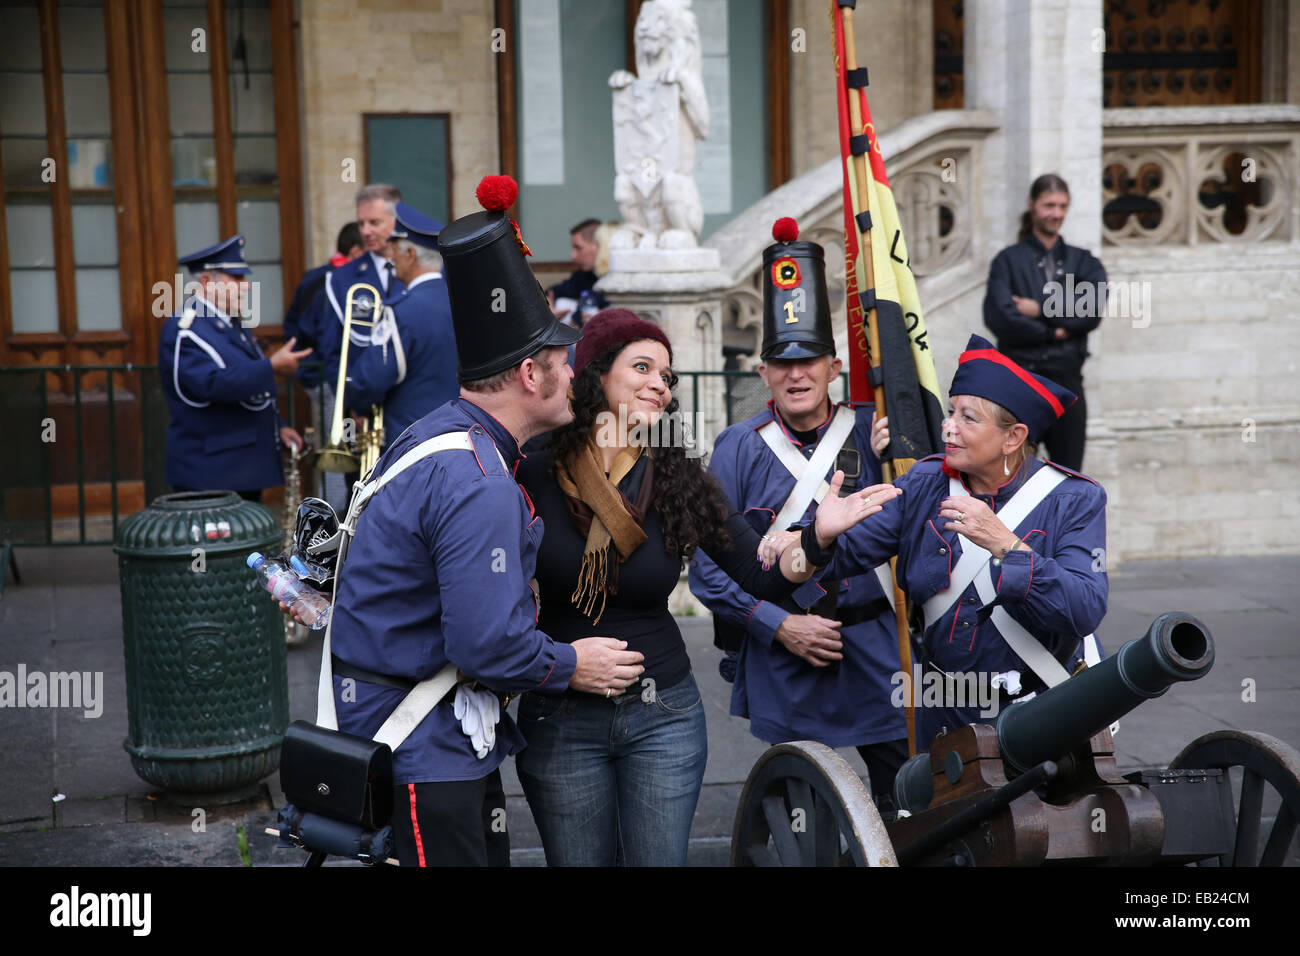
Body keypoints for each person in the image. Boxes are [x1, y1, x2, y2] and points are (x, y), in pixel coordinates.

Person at [324, 176, 643, 867]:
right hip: (424, 750)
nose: (573, 377)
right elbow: (484, 646)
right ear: (531, 375)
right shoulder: (479, 482)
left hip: (409, 731)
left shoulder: (442, 433)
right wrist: (571, 664)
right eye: (561, 363)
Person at [513, 307, 902, 866]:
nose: (658, 385)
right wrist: (559, 659)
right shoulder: (531, 472)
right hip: (560, 716)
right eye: (642, 367)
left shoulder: (677, 474)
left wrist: (815, 538)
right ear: (597, 374)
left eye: (666, 376)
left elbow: (759, 575)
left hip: (663, 717)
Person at [688, 217, 908, 809]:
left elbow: (924, 525)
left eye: (810, 359)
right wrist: (778, 626)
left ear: (834, 368)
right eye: (781, 363)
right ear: (762, 373)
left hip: (877, 650)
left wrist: (903, 455)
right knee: (800, 811)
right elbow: (709, 571)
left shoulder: (875, 428)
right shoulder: (738, 444)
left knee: (908, 809)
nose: (796, 373)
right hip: (786, 657)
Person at [825, 333, 1109, 750]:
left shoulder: (1074, 498)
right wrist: (811, 537)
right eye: (949, 412)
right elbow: (848, 551)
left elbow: (1084, 608)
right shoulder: (926, 482)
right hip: (946, 714)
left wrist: (1006, 545)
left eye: (968, 418)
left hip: (1045, 706)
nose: (947, 427)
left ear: (1013, 438)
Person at [159, 235, 309, 500]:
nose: (246, 287)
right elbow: (212, 384)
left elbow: (249, 387)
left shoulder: (231, 323)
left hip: (240, 467)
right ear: (206, 282)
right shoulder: (186, 329)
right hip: (211, 473)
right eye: (237, 279)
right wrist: (271, 366)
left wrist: (278, 426)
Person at [983, 173, 1106, 471]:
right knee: (1012, 474)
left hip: (1067, 383)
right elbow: (1001, 319)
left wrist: (1038, 310)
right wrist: (1061, 329)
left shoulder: (1085, 262)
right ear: (1032, 205)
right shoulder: (1007, 261)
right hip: (1021, 382)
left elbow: (1090, 312)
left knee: (1070, 477)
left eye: (1062, 206)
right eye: (1049, 205)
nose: (1056, 214)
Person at [298, 184, 405, 511]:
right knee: (360, 496)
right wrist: (351, 404)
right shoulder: (341, 280)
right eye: (362, 224)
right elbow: (333, 352)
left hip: (407, 406)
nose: (366, 232)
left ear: (396, 221)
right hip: (358, 415)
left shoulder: (418, 268)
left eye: (375, 223)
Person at [343, 202, 458, 449]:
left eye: (395, 248)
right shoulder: (463, 303)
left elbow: (370, 380)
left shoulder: (400, 311)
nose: (392, 256)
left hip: (412, 442)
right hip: (463, 436)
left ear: (411, 254)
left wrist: (358, 404)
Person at [281, 221, 363, 346]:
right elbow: (303, 326)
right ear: (356, 252)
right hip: (316, 360)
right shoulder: (326, 280)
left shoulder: (314, 276)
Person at [547, 217, 609, 323]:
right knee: (562, 303)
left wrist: (576, 320)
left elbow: (601, 297)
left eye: (578, 248)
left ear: (598, 246)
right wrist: (547, 304)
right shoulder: (585, 274)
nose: (573, 256)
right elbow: (554, 291)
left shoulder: (617, 275)